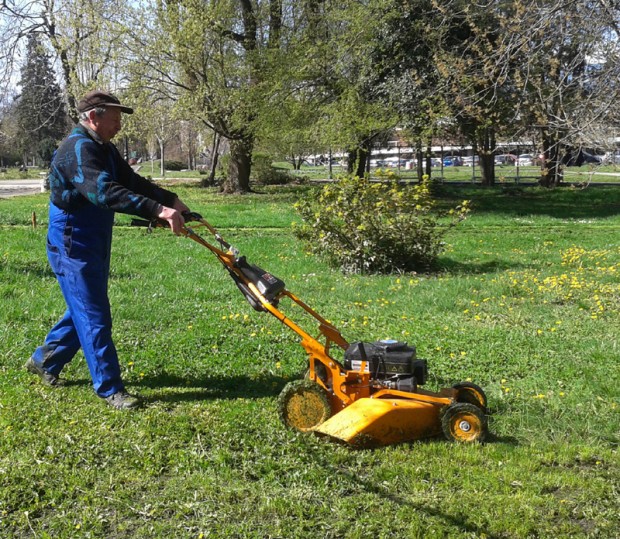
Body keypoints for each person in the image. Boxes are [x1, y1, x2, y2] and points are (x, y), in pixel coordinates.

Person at [25, 89, 190, 410]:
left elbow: (130, 180)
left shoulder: (104, 148)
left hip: (95, 236)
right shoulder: (76, 150)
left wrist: (169, 200)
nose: (119, 123)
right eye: (114, 117)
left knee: (85, 306)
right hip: (72, 239)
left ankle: (44, 360)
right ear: (93, 116)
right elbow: (104, 192)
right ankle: (109, 387)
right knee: (94, 313)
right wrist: (156, 211)